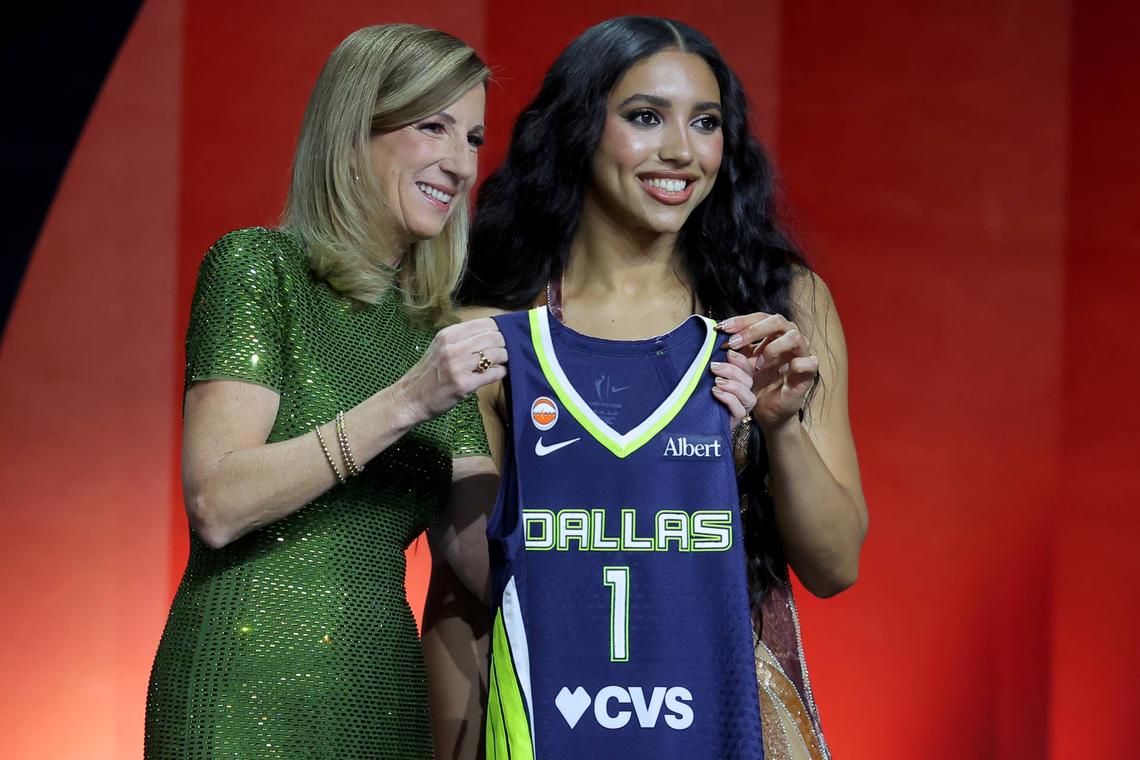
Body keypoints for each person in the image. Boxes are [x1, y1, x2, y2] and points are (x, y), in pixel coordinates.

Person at [437, 15, 868, 760]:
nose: (680, 151)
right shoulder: (494, 331)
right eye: (644, 118)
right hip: (547, 713)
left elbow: (835, 567)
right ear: (578, 129)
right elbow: (470, 588)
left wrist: (780, 427)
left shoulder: (779, 309)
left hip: (730, 718)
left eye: (706, 123)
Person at [144, 24, 507, 759]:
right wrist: (406, 401)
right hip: (239, 697)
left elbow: (485, 560)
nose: (461, 163)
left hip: (384, 700)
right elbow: (217, 502)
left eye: (472, 137)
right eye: (432, 125)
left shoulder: (424, 336)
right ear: (355, 126)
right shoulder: (260, 269)